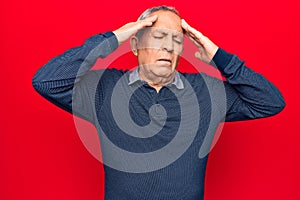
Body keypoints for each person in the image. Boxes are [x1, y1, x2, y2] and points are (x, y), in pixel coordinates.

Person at [32, 5, 285, 200]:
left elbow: (270, 102)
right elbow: (46, 81)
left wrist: (220, 57)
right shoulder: (104, 89)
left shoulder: (207, 92)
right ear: (134, 45)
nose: (168, 47)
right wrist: (113, 38)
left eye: (176, 40)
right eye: (158, 37)